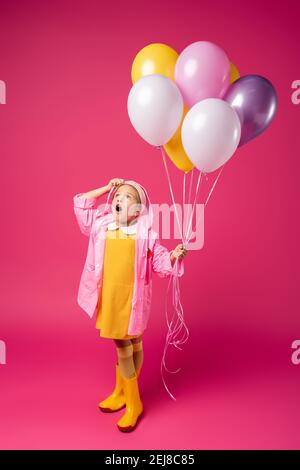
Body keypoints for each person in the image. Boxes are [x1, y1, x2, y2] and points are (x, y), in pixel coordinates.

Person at [73, 178, 187, 432]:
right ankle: (121, 392)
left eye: (127, 197)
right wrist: (106, 188)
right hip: (110, 297)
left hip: (132, 299)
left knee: (125, 342)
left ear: (138, 210)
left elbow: (159, 262)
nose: (119, 200)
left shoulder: (145, 234)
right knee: (132, 343)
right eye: (117, 196)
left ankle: (133, 402)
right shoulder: (102, 225)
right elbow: (81, 202)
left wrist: (173, 255)